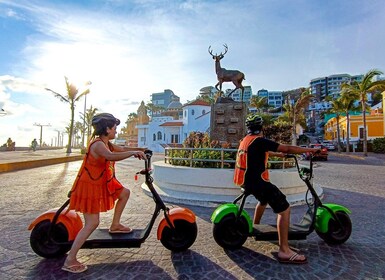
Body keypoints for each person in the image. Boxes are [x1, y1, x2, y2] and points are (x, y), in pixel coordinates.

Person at [62, 113, 146, 273]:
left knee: (124, 193)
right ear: (107, 129)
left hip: (103, 181)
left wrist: (141, 149)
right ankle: (70, 259)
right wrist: (132, 154)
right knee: (92, 223)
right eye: (114, 128)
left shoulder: (106, 142)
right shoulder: (98, 145)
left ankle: (115, 225)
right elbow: (111, 156)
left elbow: (122, 149)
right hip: (90, 186)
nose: (116, 131)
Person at [234, 114, 319, 265]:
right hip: (258, 182)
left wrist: (278, 155)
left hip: (247, 182)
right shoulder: (260, 140)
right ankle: (284, 251)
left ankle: (256, 225)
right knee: (284, 209)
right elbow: (287, 147)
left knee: (263, 200)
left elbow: (261, 152)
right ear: (261, 128)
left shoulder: (246, 141)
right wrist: (309, 150)